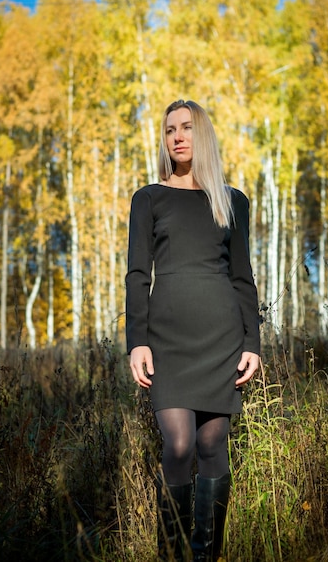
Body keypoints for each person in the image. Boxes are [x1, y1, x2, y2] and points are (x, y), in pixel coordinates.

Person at [125, 99, 261, 561]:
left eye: (186, 127)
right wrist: (136, 340)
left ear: (202, 134)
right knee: (179, 442)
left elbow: (243, 278)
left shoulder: (231, 200)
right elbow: (137, 275)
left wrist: (253, 343)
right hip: (167, 340)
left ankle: (206, 555)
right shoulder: (149, 198)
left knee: (211, 441)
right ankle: (172, 553)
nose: (177, 136)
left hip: (222, 339)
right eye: (169, 130)